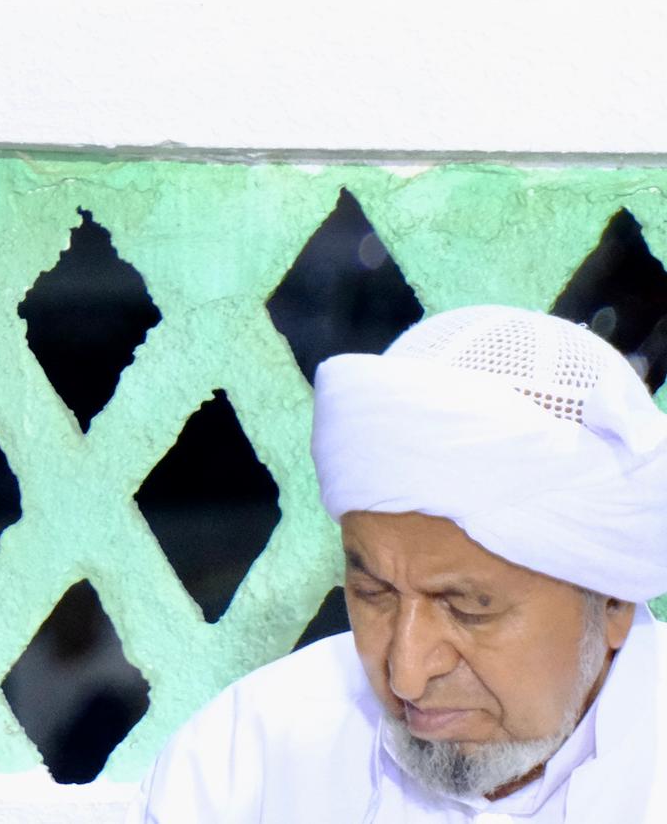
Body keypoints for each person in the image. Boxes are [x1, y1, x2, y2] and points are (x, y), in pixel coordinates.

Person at [130, 305, 667, 821]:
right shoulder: (251, 756)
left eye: (468, 610)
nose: (406, 676)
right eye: (373, 595)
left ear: (612, 600)